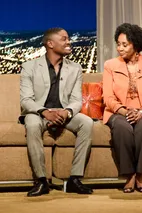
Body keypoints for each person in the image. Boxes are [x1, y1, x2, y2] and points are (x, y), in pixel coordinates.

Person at [20, 28, 94, 197]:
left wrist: (67, 112)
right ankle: (41, 180)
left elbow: (76, 100)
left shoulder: (75, 68)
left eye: (68, 39)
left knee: (87, 122)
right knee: (31, 124)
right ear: (50, 44)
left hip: (64, 114)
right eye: (64, 39)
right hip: (39, 113)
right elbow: (26, 100)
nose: (69, 42)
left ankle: (75, 178)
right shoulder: (29, 67)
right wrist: (45, 112)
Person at [103, 23, 142, 193]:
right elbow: (107, 97)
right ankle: (129, 175)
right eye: (118, 44)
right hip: (119, 112)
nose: (119, 48)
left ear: (136, 44)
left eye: (125, 44)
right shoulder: (110, 65)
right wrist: (124, 111)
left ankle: (141, 175)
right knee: (122, 128)